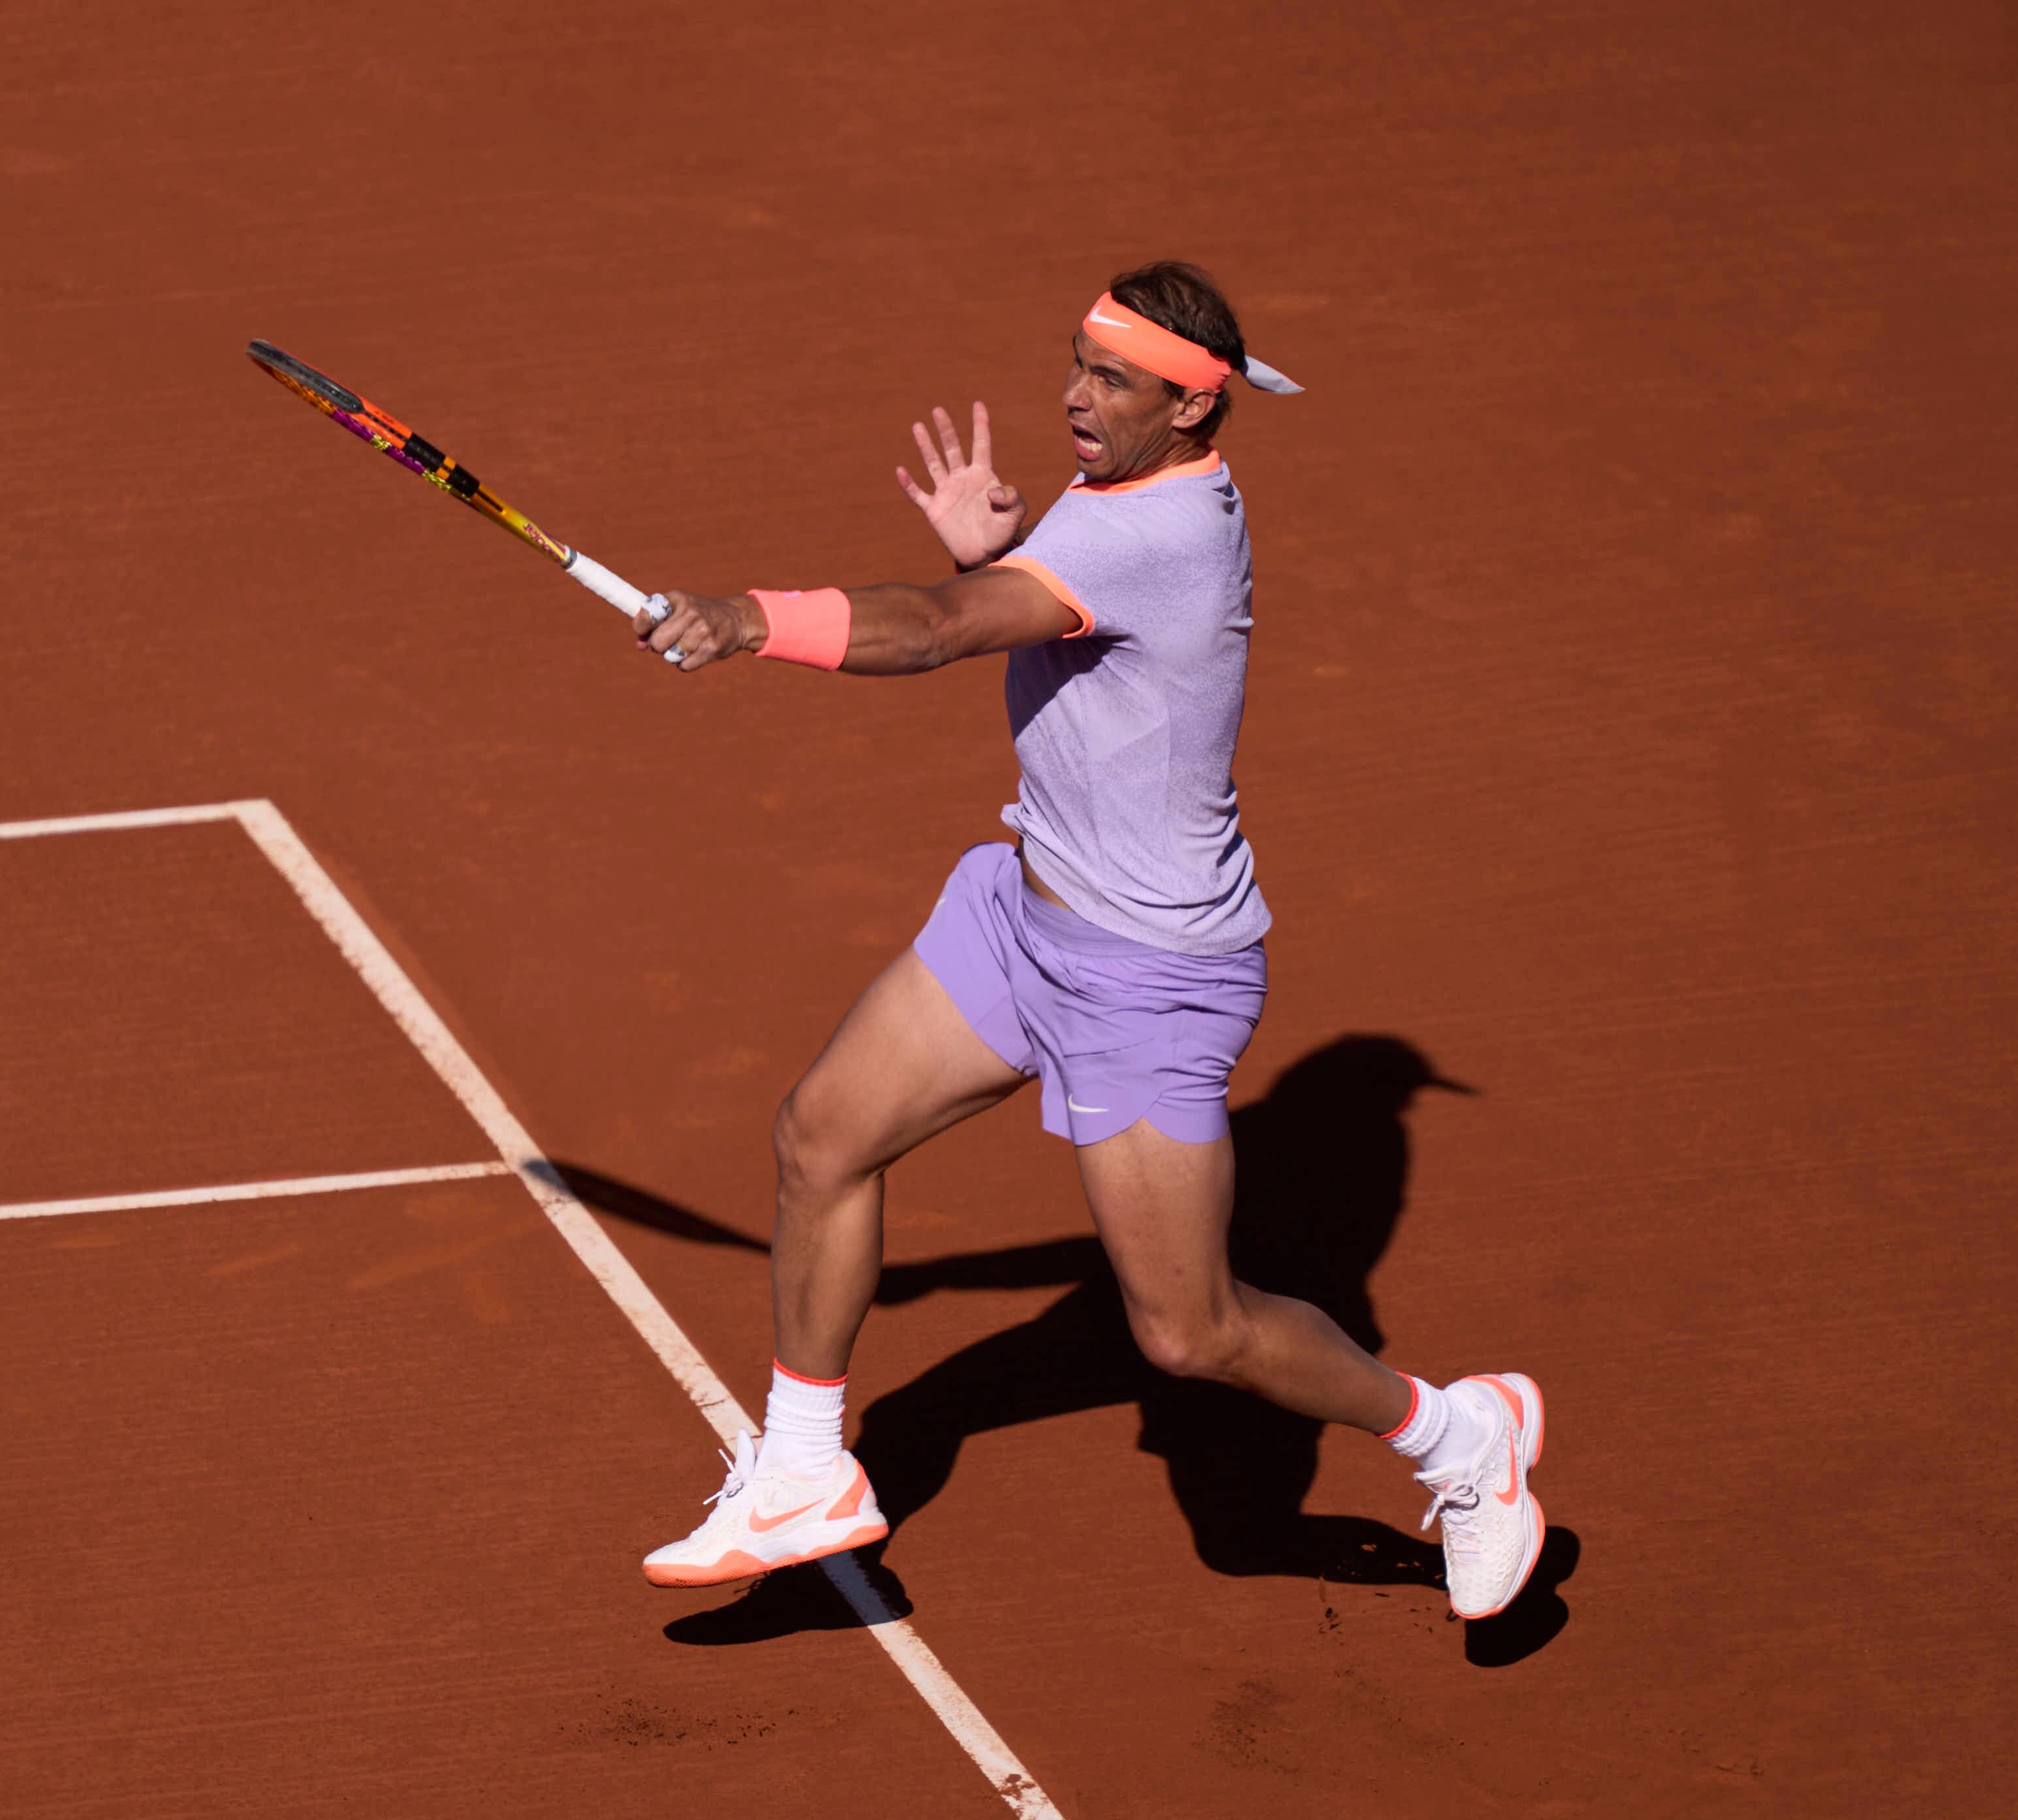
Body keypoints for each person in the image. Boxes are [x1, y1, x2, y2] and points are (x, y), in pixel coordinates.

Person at [631, 263, 1547, 1621]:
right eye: (1076, 362)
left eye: (1109, 380)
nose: (1073, 394)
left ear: (1190, 411)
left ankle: (1457, 1437)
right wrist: (995, 557)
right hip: (1026, 914)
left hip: (1148, 980)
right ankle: (806, 1472)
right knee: (823, 1139)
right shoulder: (1120, 487)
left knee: (1191, 1336)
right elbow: (1036, 622)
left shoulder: (1162, 532)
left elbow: (946, 634)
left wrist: (750, 620)